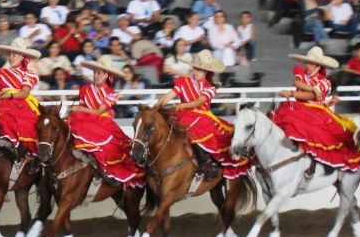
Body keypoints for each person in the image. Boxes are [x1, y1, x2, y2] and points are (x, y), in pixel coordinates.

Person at [153, 50, 251, 179]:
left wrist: (182, 105)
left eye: (200, 70)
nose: (196, 72)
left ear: (206, 72)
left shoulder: (210, 87)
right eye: (195, 68)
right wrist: (155, 108)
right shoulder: (183, 81)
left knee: (206, 135)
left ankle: (205, 164)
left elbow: (200, 101)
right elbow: (167, 96)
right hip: (181, 114)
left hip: (201, 116)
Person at [270, 47, 360, 171]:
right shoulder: (303, 75)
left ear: (318, 66)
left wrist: (292, 94)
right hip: (299, 107)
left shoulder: (324, 82)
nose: (308, 66)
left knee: (316, 134)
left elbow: (310, 97)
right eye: (307, 63)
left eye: (311, 63)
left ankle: (311, 165)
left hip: (314, 111)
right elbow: (296, 83)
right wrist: (313, 89)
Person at [68, 56, 144, 188]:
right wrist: (74, 110)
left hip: (102, 122)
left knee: (108, 146)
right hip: (82, 119)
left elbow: (98, 112)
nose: (96, 76)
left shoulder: (111, 93)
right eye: (95, 73)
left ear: (106, 75)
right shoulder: (85, 89)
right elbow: (82, 106)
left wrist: (79, 108)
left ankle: (102, 169)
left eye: (99, 73)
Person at [0, 37, 43, 165]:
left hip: (19, 102)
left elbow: (24, 93)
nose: (11, 58)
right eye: (10, 54)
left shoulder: (28, 73)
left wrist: (9, 96)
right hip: (2, 102)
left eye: (15, 55)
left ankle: (30, 155)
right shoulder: (2, 73)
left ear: (22, 57)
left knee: (27, 123)